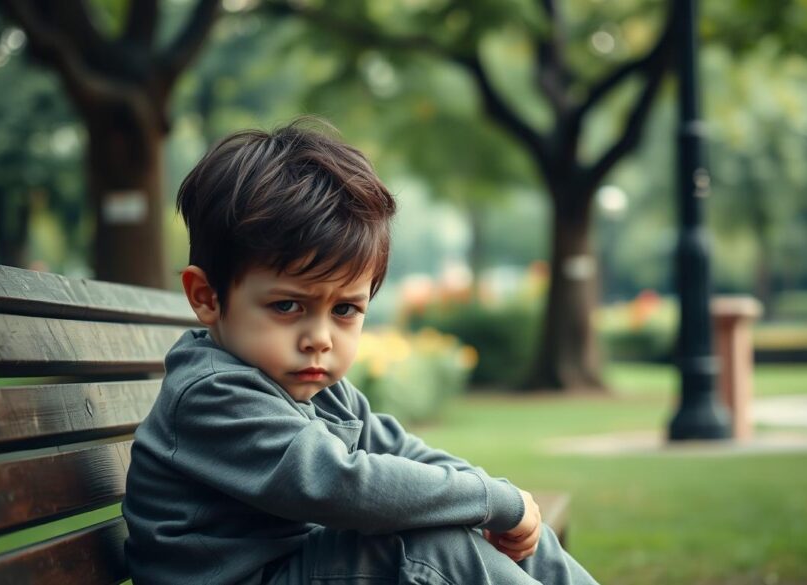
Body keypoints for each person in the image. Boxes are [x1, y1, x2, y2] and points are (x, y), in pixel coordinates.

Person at [122, 120, 600, 585]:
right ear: (207, 297)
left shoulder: (320, 389)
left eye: (346, 309)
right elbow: (344, 485)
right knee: (432, 550)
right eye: (288, 305)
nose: (320, 338)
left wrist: (503, 498)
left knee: (510, 535)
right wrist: (492, 499)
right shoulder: (211, 393)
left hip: (297, 567)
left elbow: (404, 454)